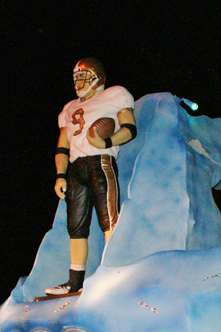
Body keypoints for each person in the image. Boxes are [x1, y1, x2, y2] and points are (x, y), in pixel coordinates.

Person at [45, 58, 137, 295]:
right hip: (76, 168)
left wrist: (105, 141)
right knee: (75, 227)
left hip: (100, 160)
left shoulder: (115, 95)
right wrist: (60, 175)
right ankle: (75, 281)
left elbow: (129, 129)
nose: (78, 82)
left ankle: (113, 272)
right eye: (75, 77)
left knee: (109, 219)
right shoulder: (68, 108)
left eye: (83, 76)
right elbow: (62, 147)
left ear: (97, 77)